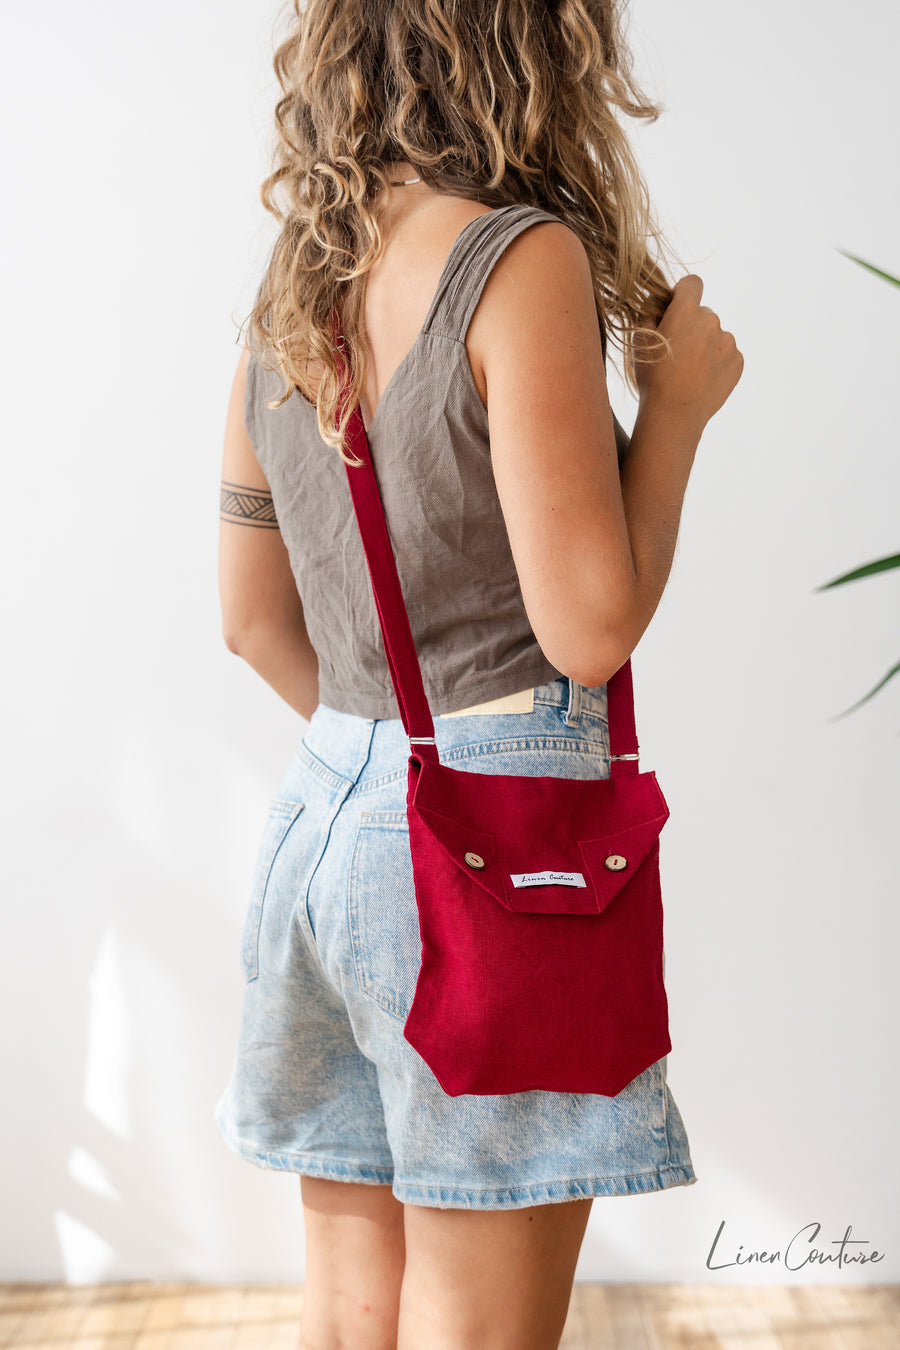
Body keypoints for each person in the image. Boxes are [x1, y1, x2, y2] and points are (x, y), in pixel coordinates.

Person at [214, 1, 743, 1346]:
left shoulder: (296, 286)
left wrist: (389, 775)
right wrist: (671, 415)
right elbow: (588, 629)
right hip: (487, 863)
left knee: (353, 1316)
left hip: (323, 824)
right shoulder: (520, 262)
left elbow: (251, 620)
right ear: (537, 47)